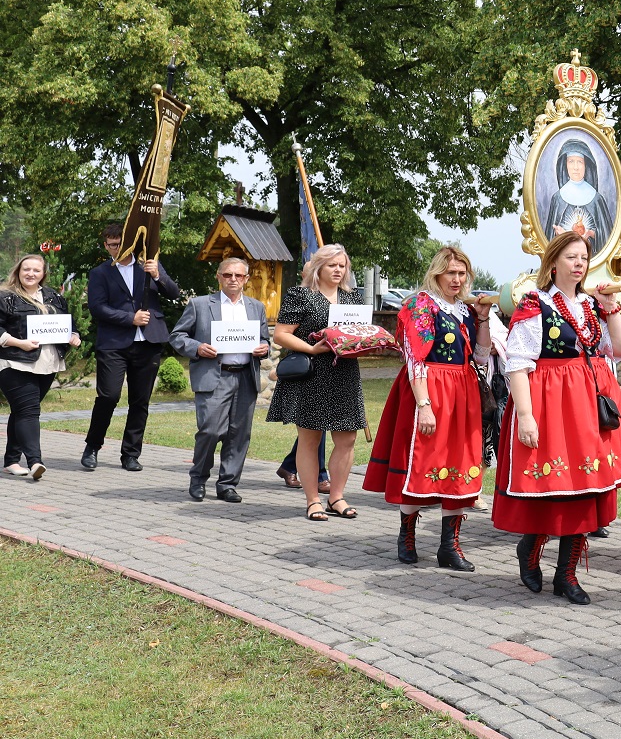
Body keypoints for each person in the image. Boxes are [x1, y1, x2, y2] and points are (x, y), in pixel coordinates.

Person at [496, 232, 621, 604]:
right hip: (550, 404)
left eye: (584, 258)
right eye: (572, 256)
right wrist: (526, 416)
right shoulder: (534, 304)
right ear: (553, 262)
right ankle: (530, 549)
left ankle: (567, 575)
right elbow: (518, 363)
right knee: (552, 486)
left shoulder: (592, 306)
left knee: (586, 487)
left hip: (586, 407)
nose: (579, 263)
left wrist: (611, 307)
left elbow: (620, 348)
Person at [364, 246, 490, 570]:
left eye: (462, 274)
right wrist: (424, 405)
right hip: (428, 390)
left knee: (460, 464)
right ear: (437, 273)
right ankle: (406, 536)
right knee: (421, 461)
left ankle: (449, 546)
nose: (457, 279)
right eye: (451, 273)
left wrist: (485, 319)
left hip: (462, 394)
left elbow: (481, 356)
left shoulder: (466, 310)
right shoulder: (422, 305)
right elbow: (414, 357)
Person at [266, 244, 368, 522]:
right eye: (332, 265)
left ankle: (336, 496)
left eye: (342, 266)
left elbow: (358, 334)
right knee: (310, 440)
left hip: (345, 374)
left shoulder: (352, 298)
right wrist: (312, 348)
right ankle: (313, 500)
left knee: (347, 439)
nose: (338, 270)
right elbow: (281, 334)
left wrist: (369, 343)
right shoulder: (301, 295)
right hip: (311, 373)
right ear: (319, 267)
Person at [168, 258, 271, 503]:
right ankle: (198, 478)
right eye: (227, 275)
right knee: (210, 430)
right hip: (214, 375)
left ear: (246, 279)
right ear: (218, 276)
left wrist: (263, 348)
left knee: (239, 434)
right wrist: (197, 347)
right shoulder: (200, 304)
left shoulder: (256, 307)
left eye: (238, 275)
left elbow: (264, 339)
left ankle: (227, 484)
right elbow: (177, 336)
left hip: (245, 376)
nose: (233, 279)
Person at [83, 224, 181, 471]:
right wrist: (130, 319)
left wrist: (158, 275)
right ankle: (93, 445)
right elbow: (97, 308)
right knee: (109, 396)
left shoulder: (149, 265)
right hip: (114, 344)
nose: (112, 249)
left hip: (148, 343)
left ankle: (130, 454)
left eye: (117, 244)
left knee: (140, 402)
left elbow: (174, 293)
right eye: (108, 244)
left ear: (128, 243)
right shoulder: (100, 273)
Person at [0, 254, 80, 480]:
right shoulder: (5, 296)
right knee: (29, 411)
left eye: (36, 270)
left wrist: (74, 335)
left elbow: (69, 324)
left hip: (47, 363)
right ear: (18, 270)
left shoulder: (53, 296)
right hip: (14, 361)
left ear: (43, 274)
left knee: (21, 412)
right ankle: (35, 462)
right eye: (26, 269)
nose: (31, 274)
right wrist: (18, 343)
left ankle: (12, 461)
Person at [543, 138, 614, 257]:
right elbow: (549, 242)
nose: (575, 167)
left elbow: (608, 237)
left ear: (586, 165)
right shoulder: (557, 198)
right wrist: (560, 235)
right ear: (565, 165)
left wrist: (590, 233)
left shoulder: (597, 199)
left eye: (580, 162)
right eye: (571, 161)